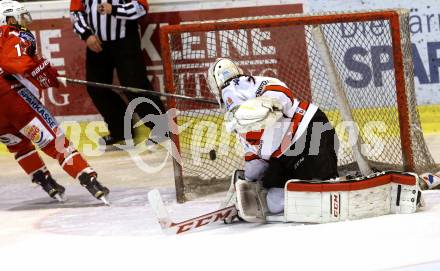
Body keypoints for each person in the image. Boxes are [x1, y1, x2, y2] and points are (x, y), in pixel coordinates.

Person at [0, 0, 109, 203]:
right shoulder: (11, 33)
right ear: (7, 18)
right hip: (13, 99)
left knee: (18, 144)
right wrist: (43, 72)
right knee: (56, 141)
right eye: (17, 17)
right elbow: (13, 62)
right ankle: (88, 179)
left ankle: (45, 181)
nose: (22, 21)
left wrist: (43, 72)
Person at [207, 58, 339, 214]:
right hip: (288, 155)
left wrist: (265, 105)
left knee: (324, 183)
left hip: (309, 130)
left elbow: (284, 97)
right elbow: (256, 160)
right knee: (274, 203)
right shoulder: (238, 116)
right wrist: (246, 185)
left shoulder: (239, 87)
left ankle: (325, 186)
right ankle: (311, 190)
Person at [70, 0, 166, 146]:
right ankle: (121, 130)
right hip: (97, 42)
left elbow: (141, 7)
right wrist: (86, 34)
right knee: (96, 88)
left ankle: (161, 129)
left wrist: (115, 9)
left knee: (135, 85)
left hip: (126, 40)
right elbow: (76, 12)